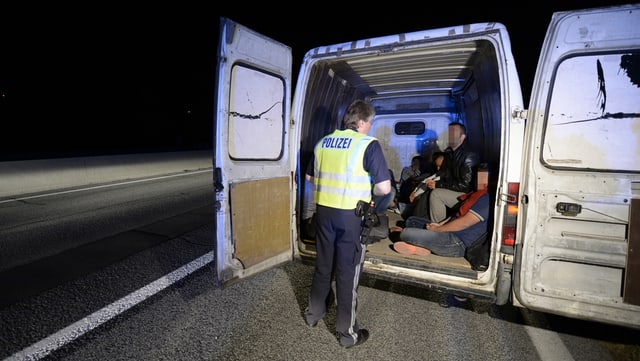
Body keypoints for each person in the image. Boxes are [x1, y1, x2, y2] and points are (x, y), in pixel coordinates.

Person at [304, 99, 391, 348]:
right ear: (362, 122)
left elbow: (311, 177)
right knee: (347, 273)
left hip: (324, 213)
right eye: (370, 123)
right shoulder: (367, 144)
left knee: (323, 267)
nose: (370, 127)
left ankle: (313, 315)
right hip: (350, 217)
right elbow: (384, 187)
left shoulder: (323, 143)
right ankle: (347, 334)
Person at [392, 164, 489, 257]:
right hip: (448, 231)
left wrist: (437, 230)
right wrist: (440, 224)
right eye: (478, 175)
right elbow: (455, 215)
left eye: (482, 176)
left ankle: (416, 244)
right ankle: (422, 244)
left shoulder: (487, 199)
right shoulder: (477, 194)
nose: (478, 180)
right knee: (411, 221)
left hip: (457, 242)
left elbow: (464, 223)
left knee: (405, 233)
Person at [424, 122, 479, 222]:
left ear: (462, 137)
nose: (449, 135)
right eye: (449, 132)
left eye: (453, 132)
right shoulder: (450, 154)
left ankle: (438, 229)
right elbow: (446, 175)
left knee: (436, 194)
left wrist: (438, 185)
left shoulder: (468, 156)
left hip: (465, 195)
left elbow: (465, 186)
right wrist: (433, 181)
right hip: (454, 189)